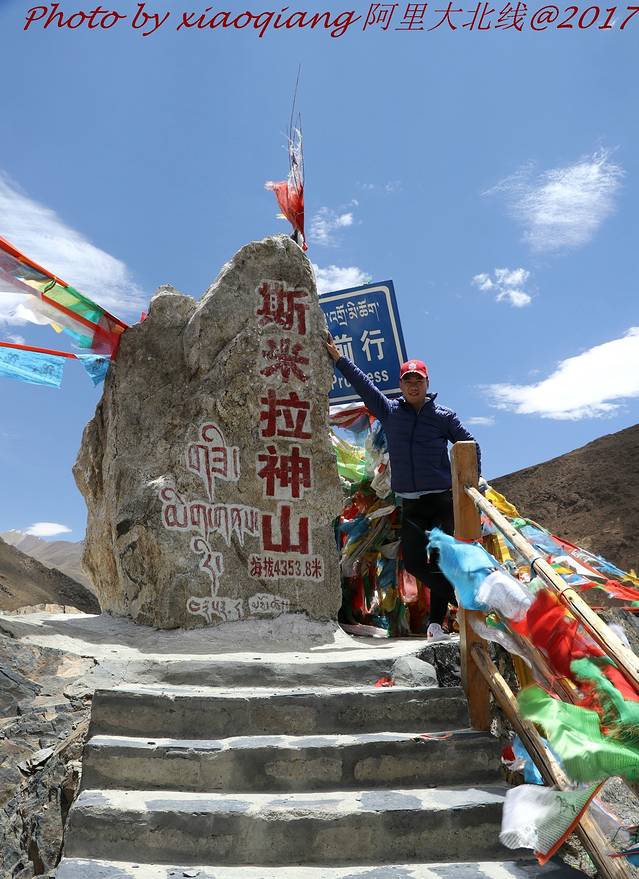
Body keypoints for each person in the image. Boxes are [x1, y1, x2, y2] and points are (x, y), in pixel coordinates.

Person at [325, 334, 481, 642]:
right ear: (401, 384)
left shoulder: (443, 416)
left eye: (418, 380)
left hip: (441, 501)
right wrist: (339, 359)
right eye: (408, 381)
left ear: (426, 383)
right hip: (410, 503)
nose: (413, 385)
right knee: (413, 562)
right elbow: (365, 387)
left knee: (440, 561)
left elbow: (470, 445)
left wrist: (476, 484)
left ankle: (435, 626)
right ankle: (461, 600)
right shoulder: (391, 412)